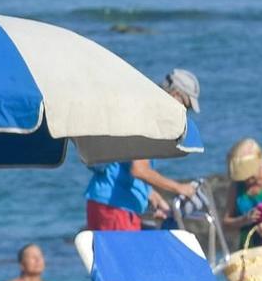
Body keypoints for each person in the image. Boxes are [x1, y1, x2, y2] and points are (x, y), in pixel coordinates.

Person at [83, 68, 203, 232]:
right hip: (117, 206)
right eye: (186, 107)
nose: (185, 113)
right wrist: (180, 188)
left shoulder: (140, 108)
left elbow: (121, 161)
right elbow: (139, 170)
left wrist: (149, 193)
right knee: (124, 257)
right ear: (175, 95)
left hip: (103, 200)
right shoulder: (147, 117)